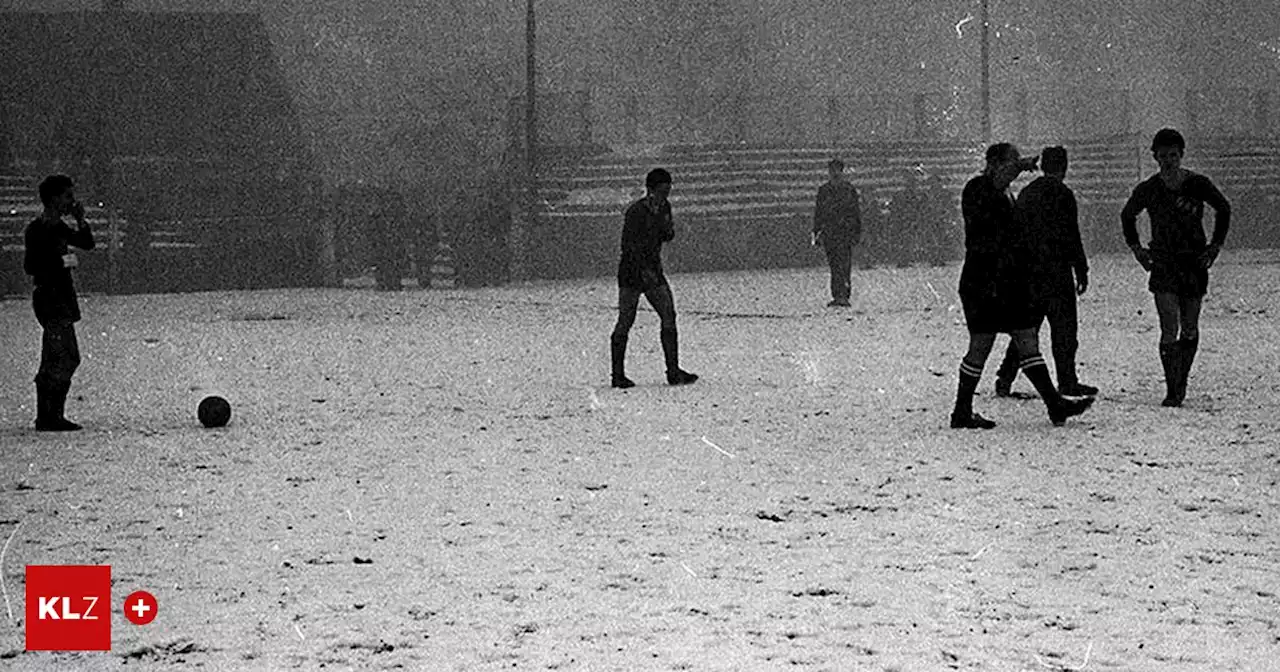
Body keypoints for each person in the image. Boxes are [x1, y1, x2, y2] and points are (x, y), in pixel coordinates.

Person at [950, 143, 1094, 429]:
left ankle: (1054, 405)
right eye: (1010, 162)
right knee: (985, 345)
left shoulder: (1007, 194)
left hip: (1000, 281)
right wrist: (1020, 166)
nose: (1015, 168)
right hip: (985, 281)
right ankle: (963, 411)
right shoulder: (977, 188)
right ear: (993, 164)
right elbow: (993, 223)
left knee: (1024, 339)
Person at [1121, 128, 1230, 407]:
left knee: (1190, 326)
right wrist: (1137, 249)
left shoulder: (1197, 184)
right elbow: (1127, 215)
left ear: (1181, 155)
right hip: (1164, 261)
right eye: (1163, 156)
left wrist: (1215, 246)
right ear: (1155, 157)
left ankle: (1182, 379)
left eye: (1173, 155)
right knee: (1169, 326)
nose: (1168, 160)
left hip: (1193, 261)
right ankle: (1173, 389)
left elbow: (1223, 208)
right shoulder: (1149, 189)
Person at [993, 146, 1098, 398]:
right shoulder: (1064, 194)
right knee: (1064, 331)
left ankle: (1005, 377)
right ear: (1064, 166)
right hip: (1058, 272)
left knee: (1027, 329)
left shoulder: (1028, 193)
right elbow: (1072, 235)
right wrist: (1081, 269)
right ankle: (1067, 380)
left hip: (1031, 273)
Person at [610, 168, 698, 388]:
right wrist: (644, 270)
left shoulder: (663, 208)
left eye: (667, 191)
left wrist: (666, 226)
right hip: (633, 271)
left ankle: (673, 370)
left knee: (668, 314)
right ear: (650, 189)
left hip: (651, 269)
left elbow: (667, 235)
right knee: (627, 319)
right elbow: (628, 246)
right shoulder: (636, 212)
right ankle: (618, 374)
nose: (665, 196)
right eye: (662, 191)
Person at [24, 174, 95, 431]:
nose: (72, 201)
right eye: (67, 196)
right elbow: (30, 265)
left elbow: (87, 243)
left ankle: (50, 413)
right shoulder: (38, 229)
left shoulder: (57, 228)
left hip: (60, 296)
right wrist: (60, 262)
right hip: (50, 297)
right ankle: (49, 415)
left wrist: (79, 220)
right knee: (62, 356)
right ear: (54, 198)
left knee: (60, 355)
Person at [811, 158, 862, 306]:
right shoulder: (824, 191)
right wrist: (816, 232)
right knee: (834, 265)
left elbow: (855, 213)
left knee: (845, 264)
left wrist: (856, 232)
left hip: (845, 233)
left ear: (841, 171)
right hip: (830, 234)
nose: (834, 173)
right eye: (832, 170)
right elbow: (818, 213)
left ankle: (844, 295)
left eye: (837, 170)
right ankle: (837, 294)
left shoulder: (849, 190)